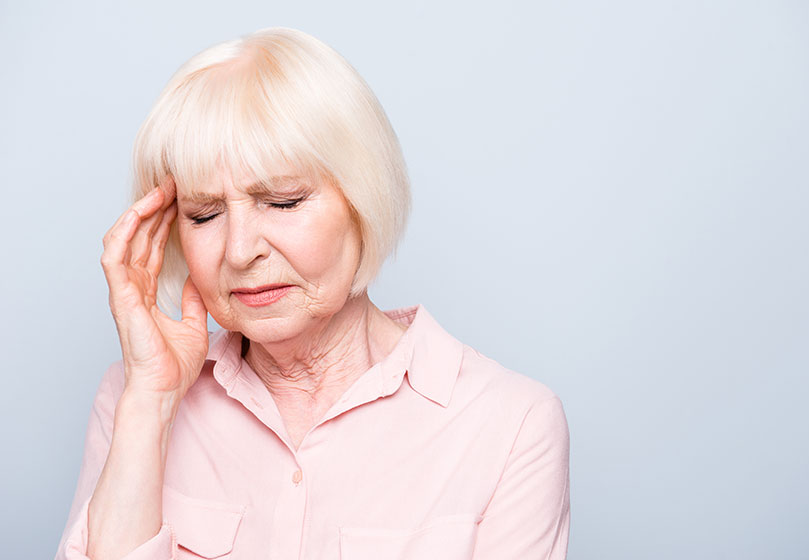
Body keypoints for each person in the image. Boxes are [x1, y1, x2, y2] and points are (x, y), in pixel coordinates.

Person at [55, 27, 570, 560]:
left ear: (362, 200)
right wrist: (150, 405)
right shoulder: (131, 398)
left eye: (282, 201)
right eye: (204, 214)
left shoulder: (511, 424)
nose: (238, 251)